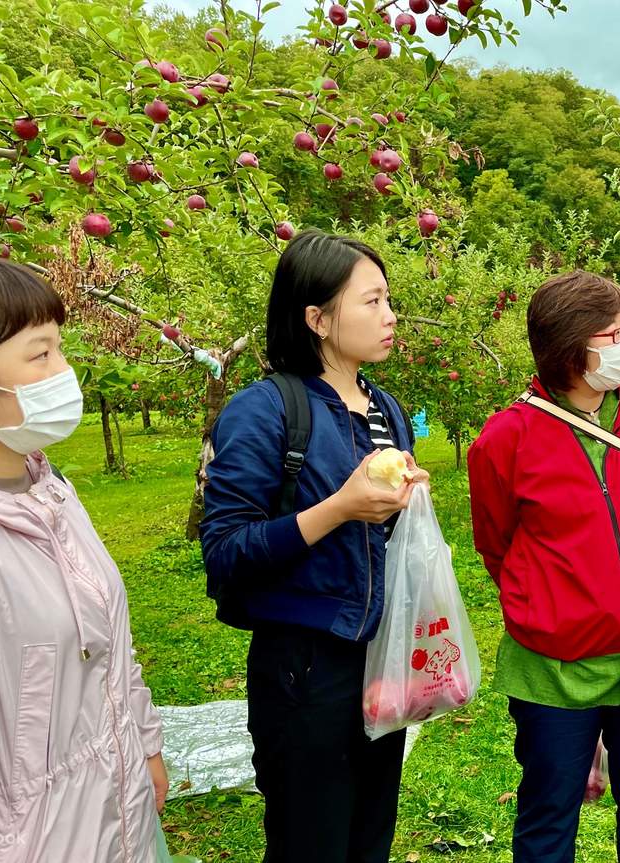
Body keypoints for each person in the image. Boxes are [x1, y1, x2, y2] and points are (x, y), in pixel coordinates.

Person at [200, 230, 428, 863]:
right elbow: (226, 549)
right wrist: (339, 509)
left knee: (370, 836)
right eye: (372, 302)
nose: (390, 316)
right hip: (305, 668)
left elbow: (377, 536)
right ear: (317, 319)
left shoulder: (385, 409)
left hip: (377, 654)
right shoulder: (264, 410)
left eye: (389, 300)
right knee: (311, 840)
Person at [468, 270, 620, 863]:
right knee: (549, 821)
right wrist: (550, 604)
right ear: (567, 349)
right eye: (611, 334)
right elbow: (497, 545)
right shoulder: (506, 439)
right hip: (555, 664)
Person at [0, 257, 167, 862]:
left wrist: (144, 745)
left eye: (59, 348)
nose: (64, 372)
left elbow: (110, 644)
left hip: (116, 820)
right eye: (39, 356)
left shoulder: (49, 490)